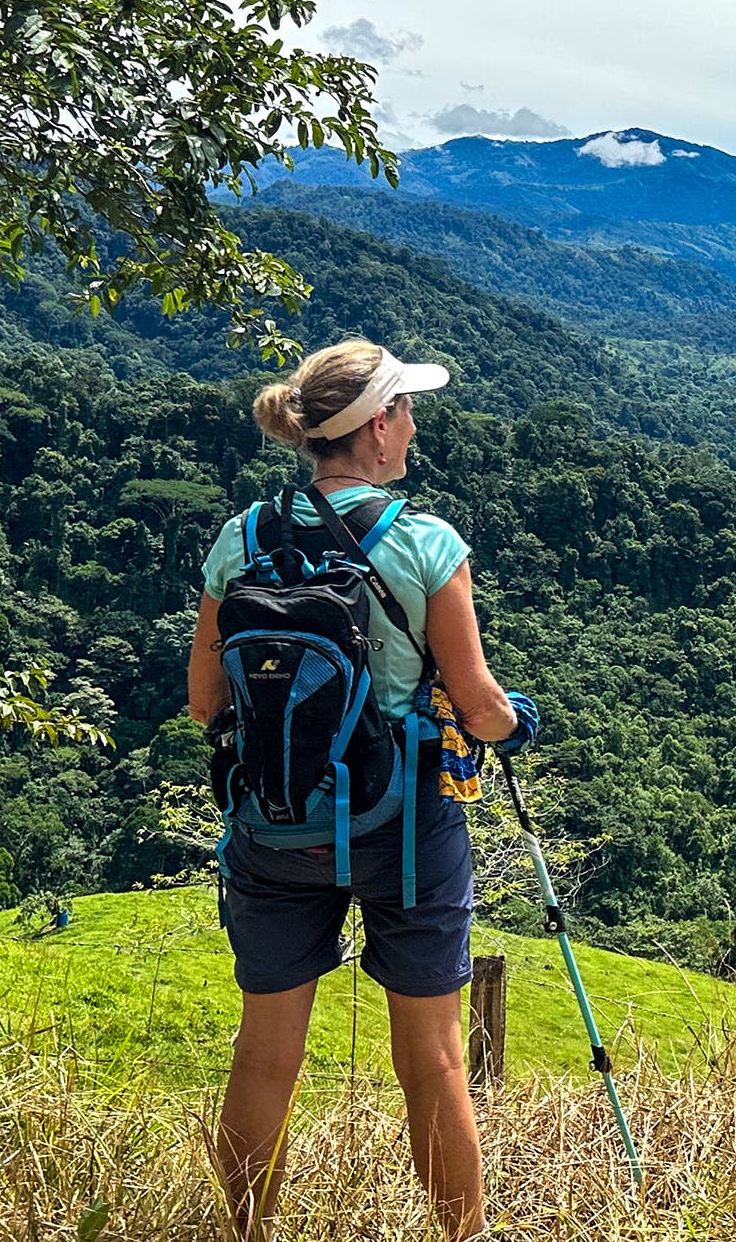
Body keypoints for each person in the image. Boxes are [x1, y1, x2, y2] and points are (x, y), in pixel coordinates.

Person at [186, 337, 537, 1240]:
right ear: (377, 428)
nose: (415, 425)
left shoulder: (243, 538)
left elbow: (204, 705)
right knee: (433, 1064)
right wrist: (517, 721)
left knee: (264, 1060)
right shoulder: (425, 544)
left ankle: (245, 1231)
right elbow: (478, 704)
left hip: (276, 821)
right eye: (407, 410)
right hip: (404, 828)